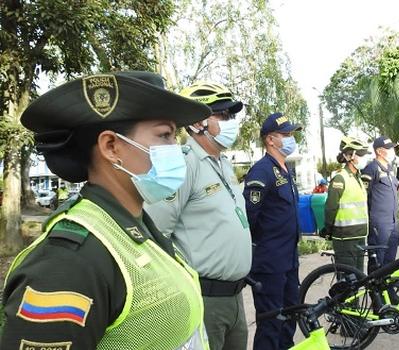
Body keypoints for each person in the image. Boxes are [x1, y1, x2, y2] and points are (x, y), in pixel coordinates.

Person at [1, 72, 211, 349]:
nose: (178, 150)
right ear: (111, 147)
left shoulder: (135, 226)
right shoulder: (67, 264)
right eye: (165, 135)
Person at [145, 81, 252, 350]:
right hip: (205, 299)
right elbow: (156, 233)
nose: (231, 122)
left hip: (236, 297)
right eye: (223, 115)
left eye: (232, 116)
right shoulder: (183, 164)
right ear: (196, 124)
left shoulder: (224, 164)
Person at [243, 112, 302, 350]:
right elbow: (250, 216)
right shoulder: (261, 171)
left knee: (290, 317)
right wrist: (264, 247)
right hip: (269, 263)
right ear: (270, 140)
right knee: (270, 324)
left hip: (289, 259)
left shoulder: (285, 170)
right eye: (286, 135)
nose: (291, 139)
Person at [322, 136, 370, 272]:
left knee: (358, 275)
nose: (363, 158)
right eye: (360, 155)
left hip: (359, 235)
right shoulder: (340, 178)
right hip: (345, 238)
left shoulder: (358, 177)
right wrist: (328, 229)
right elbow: (331, 207)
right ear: (349, 156)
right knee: (347, 278)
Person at [361, 135, 399, 271]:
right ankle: (374, 290)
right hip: (379, 223)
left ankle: (386, 289)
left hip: (393, 222)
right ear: (379, 151)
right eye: (388, 149)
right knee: (377, 259)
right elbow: (364, 195)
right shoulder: (371, 169)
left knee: (390, 259)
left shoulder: (390, 170)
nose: (392, 151)